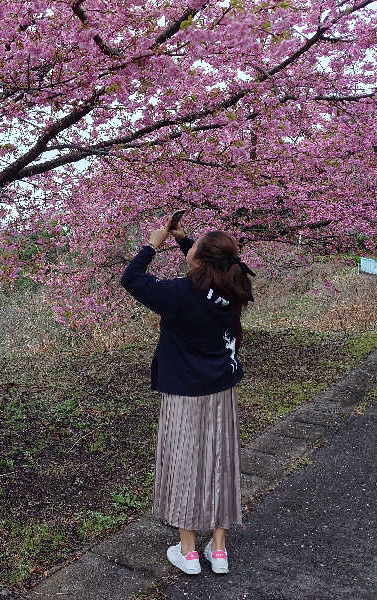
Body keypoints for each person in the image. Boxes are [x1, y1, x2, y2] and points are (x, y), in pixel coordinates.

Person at [120, 219, 255, 576]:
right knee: (221, 463)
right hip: (221, 388)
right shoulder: (233, 285)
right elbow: (207, 276)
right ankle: (220, 550)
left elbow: (131, 279)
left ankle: (189, 552)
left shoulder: (178, 292)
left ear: (198, 260)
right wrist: (185, 241)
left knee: (186, 464)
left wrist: (152, 244)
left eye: (194, 248)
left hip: (184, 392)